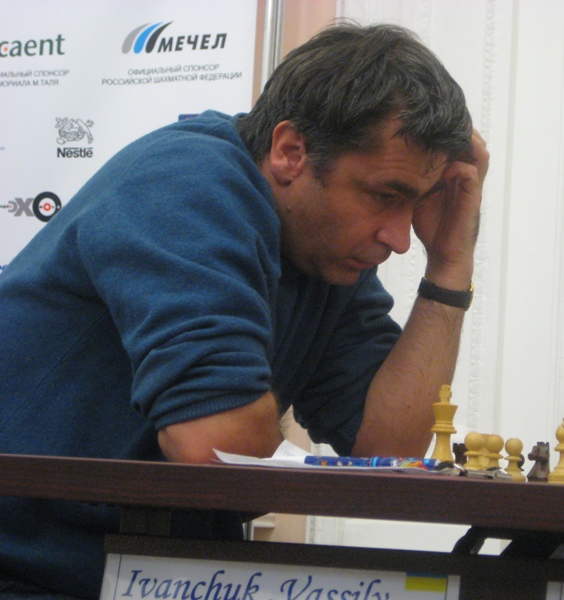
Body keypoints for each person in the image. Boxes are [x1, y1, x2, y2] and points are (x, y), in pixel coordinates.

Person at [0, 22, 488, 599]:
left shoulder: (325, 251)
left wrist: (449, 265)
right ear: (290, 152)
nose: (400, 238)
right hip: (24, 566)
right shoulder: (187, 183)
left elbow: (390, 449)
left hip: (143, 573)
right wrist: (248, 431)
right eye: (385, 195)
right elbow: (215, 447)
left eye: (415, 203)